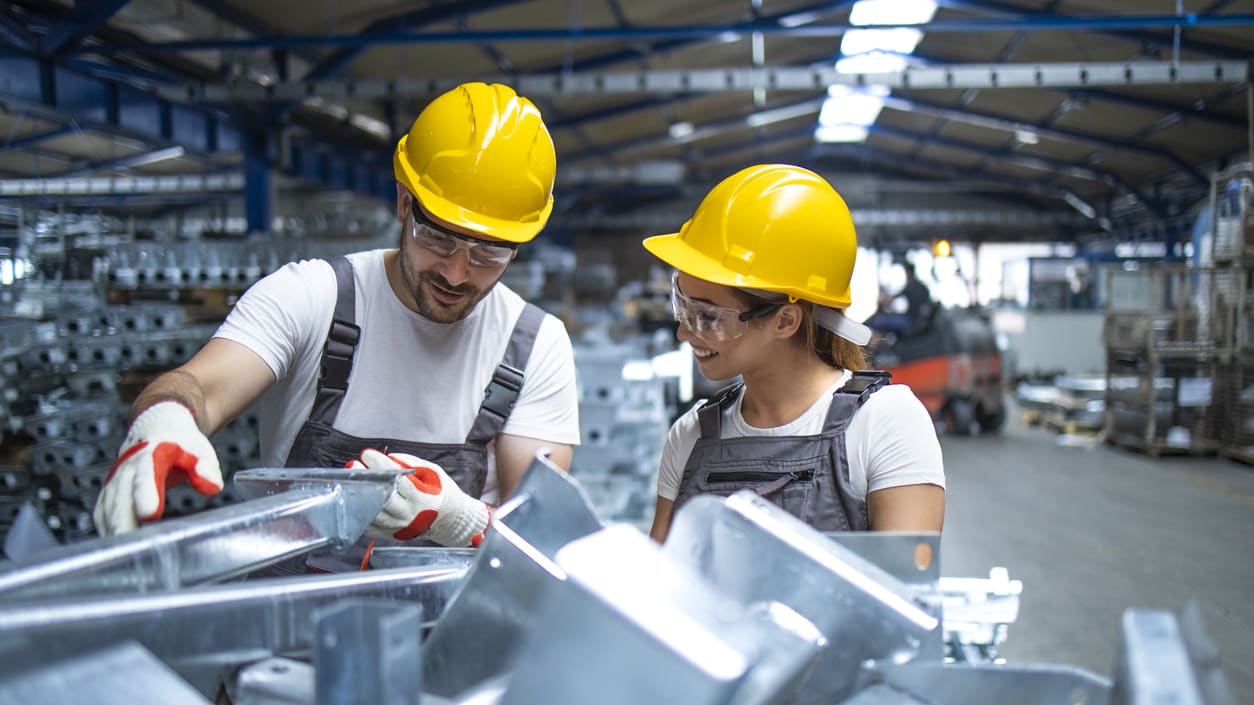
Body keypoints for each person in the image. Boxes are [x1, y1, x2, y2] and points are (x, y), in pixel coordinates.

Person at [93, 82, 581, 552]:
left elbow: (540, 528)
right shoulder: (312, 297)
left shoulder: (533, 344)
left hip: (455, 624)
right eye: (439, 238)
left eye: (488, 253)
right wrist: (165, 418)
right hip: (298, 621)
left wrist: (463, 521)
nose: (456, 272)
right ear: (404, 203)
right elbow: (197, 386)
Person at [642, 164, 944, 542]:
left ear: (785, 321)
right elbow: (657, 591)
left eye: (707, 316)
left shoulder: (885, 424)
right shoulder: (689, 437)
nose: (684, 332)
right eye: (683, 307)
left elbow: (903, 594)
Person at [866, 262, 936, 337]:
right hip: (916, 321)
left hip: (911, 322)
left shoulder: (911, 287)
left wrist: (885, 299)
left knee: (879, 321)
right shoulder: (921, 287)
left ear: (908, 272)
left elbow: (894, 298)